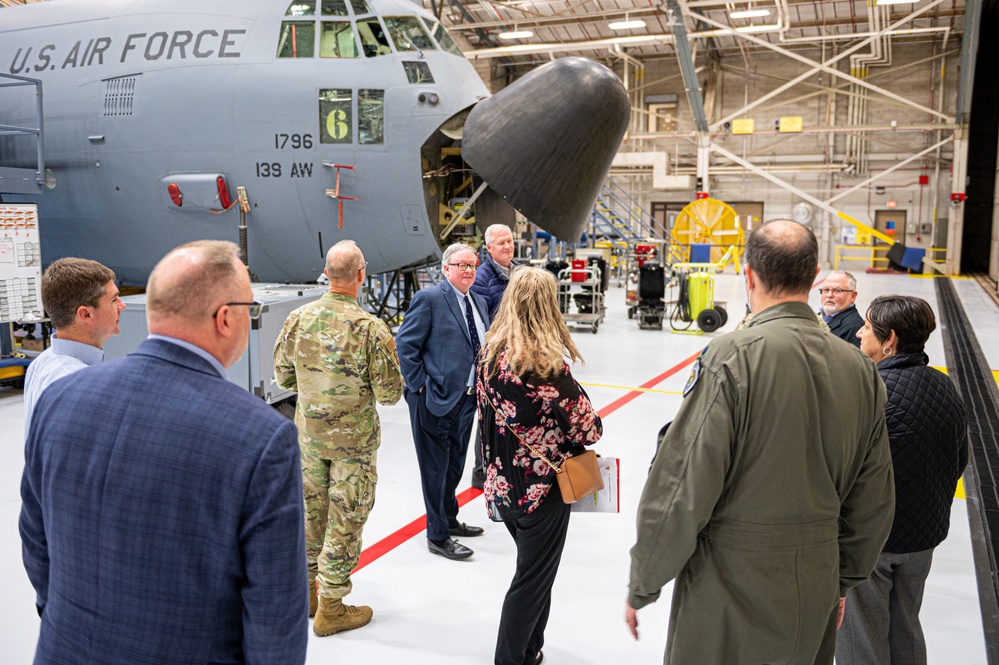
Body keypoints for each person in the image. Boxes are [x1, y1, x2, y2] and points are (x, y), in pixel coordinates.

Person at [19, 240, 307, 665]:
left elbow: (35, 538)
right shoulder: (261, 437)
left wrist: (62, 618)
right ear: (226, 318)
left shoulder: (61, 397)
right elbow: (274, 614)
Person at [626, 220, 895, 665]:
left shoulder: (731, 357)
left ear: (748, 276)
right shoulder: (861, 371)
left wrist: (644, 581)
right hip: (814, 583)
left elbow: (682, 485)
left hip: (728, 586)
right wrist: (841, 580)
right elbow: (875, 499)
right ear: (813, 279)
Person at [273, 239, 404, 636]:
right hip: (354, 447)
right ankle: (331, 605)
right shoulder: (371, 330)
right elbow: (390, 394)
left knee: (311, 516)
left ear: (327, 273)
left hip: (309, 441)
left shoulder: (298, 318)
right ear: (361, 275)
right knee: (346, 519)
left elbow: (283, 377)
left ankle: (308, 594)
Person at [477, 266, 602, 665]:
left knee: (536, 572)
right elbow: (591, 427)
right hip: (542, 490)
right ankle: (511, 658)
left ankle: (531, 649)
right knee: (531, 579)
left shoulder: (490, 355)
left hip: (503, 486)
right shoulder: (547, 367)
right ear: (549, 306)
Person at [837, 295, 969, 665]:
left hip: (873, 541)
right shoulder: (944, 386)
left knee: (860, 636)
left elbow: (847, 473)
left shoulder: (870, 391)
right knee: (905, 624)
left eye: (867, 327)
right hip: (923, 539)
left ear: (889, 339)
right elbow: (959, 460)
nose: (860, 333)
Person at [397, 243, 489, 560]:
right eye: (461, 265)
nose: (468, 270)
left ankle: (449, 519)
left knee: (454, 466)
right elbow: (405, 345)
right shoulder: (431, 299)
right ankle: (437, 535)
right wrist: (420, 386)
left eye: (473, 265)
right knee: (435, 469)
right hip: (433, 398)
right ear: (445, 268)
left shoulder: (477, 301)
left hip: (465, 400)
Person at [22, 257, 125, 438]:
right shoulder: (77, 383)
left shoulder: (41, 363)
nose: (122, 306)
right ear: (86, 314)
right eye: (114, 299)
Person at [468, 223, 517, 489]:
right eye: (501, 243)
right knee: (488, 415)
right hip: (495, 358)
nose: (507, 246)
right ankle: (480, 471)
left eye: (509, 241)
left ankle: (505, 464)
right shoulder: (482, 279)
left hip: (518, 355)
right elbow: (480, 323)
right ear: (488, 248)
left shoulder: (519, 272)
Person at [818, 270, 864, 346]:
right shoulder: (819, 317)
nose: (829, 295)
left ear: (853, 296)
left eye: (837, 291)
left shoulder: (854, 328)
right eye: (826, 290)